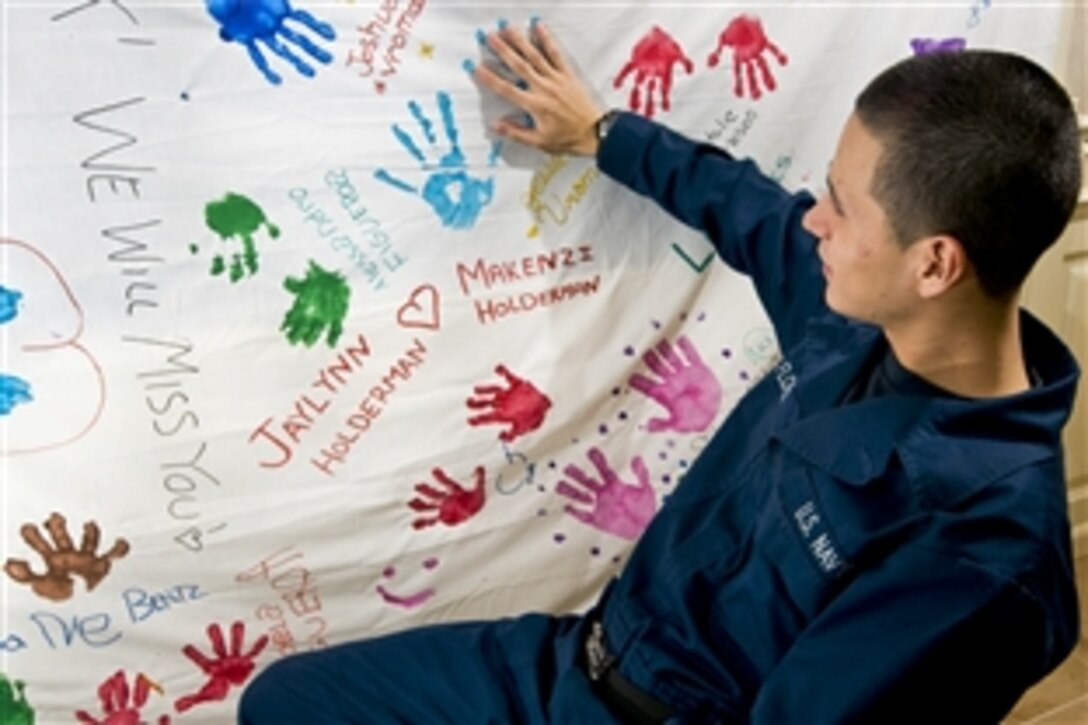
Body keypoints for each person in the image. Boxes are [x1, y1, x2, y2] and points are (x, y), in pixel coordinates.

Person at [239, 21, 1083, 724]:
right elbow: (745, 206)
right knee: (287, 703)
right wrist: (601, 132)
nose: (814, 220)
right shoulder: (852, 312)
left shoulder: (983, 554)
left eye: (842, 205)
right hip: (574, 661)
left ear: (935, 264)